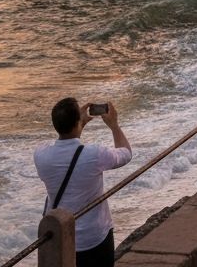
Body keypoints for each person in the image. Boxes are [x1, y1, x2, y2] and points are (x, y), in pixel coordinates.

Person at [34, 98, 132, 267]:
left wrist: (77, 125)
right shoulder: (94, 154)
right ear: (77, 121)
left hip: (60, 237)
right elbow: (125, 154)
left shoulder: (41, 155)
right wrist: (114, 125)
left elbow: (66, 145)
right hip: (94, 237)